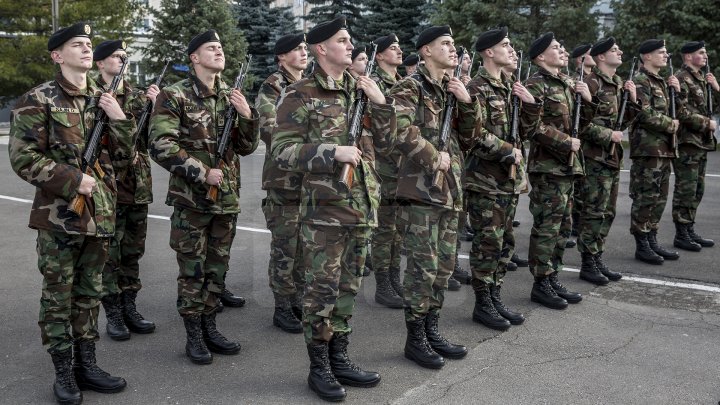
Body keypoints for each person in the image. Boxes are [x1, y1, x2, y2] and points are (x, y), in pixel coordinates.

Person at [8, 22, 132, 404]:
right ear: (57, 55)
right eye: (77, 45)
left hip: (101, 214)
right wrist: (72, 180)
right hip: (61, 216)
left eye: (89, 45)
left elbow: (125, 156)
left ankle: (87, 364)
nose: (85, 49)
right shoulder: (40, 98)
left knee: (89, 292)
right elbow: (22, 156)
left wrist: (121, 121)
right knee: (59, 296)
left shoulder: (103, 97)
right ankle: (63, 371)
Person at [271, 17, 393, 401]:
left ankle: (340, 358)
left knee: (347, 288)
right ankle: (319, 367)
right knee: (321, 292)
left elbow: (388, 145)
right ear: (322, 48)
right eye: (342, 40)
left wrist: (381, 103)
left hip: (361, 207)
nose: (349, 45)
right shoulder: (300, 93)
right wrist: (331, 152)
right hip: (324, 212)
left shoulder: (359, 92)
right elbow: (281, 151)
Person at [149, 29, 259, 364]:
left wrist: (247, 117)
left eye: (221, 47)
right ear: (194, 57)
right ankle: (194, 335)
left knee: (218, 269)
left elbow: (246, 147)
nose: (219, 51)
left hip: (226, 200)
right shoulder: (175, 95)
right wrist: (201, 171)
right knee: (193, 270)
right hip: (192, 201)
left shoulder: (230, 95)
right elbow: (160, 144)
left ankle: (211, 326)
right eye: (211, 48)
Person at [388, 25, 477, 369]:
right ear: (426, 51)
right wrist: (431, 155)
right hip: (422, 191)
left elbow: (469, 139)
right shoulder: (409, 87)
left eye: (454, 44)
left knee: (443, 268)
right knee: (422, 270)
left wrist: (467, 102)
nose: (453, 49)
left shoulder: (451, 90)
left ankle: (432, 329)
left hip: (450, 191)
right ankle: (415, 339)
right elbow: (400, 131)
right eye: (445, 44)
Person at [464, 27, 534, 330]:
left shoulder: (511, 87)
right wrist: (506, 149)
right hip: (485, 180)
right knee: (487, 244)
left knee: (505, 242)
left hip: (508, 180)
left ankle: (495, 295)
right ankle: (483, 304)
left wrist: (531, 104)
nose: (513, 50)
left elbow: (526, 133)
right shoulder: (477, 88)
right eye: (506, 46)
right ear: (489, 52)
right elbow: (473, 134)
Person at [93, 40, 159, 341]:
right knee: (110, 253)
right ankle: (114, 312)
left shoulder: (135, 96)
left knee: (132, 251)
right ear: (100, 63)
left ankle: (130, 306)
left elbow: (148, 140)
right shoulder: (92, 95)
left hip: (136, 184)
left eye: (124, 57)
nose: (122, 61)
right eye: (116, 57)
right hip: (107, 185)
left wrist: (156, 108)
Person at [522, 32, 590, 310]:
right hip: (547, 167)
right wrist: (565, 142)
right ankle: (540, 283)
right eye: (556, 48)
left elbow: (579, 124)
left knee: (563, 227)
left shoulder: (567, 83)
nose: (563, 51)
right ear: (540, 57)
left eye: (563, 47)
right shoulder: (535, 85)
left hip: (568, 167)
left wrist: (588, 100)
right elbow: (531, 127)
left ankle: (552, 276)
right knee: (547, 228)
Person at [256, 33, 308, 334]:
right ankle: (283, 306)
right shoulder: (273, 85)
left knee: (305, 245)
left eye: (304, 48)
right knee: (286, 246)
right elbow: (268, 127)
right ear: (281, 57)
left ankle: (299, 298)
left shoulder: (309, 85)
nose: (303, 53)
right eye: (296, 50)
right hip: (283, 179)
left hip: (311, 179)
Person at [576, 37, 638, 284]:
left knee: (608, 211)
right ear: (600, 57)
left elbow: (623, 122)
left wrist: (633, 100)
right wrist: (606, 134)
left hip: (612, 157)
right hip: (594, 158)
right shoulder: (591, 83)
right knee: (593, 211)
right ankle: (587, 262)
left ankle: (597, 256)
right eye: (614, 50)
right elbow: (579, 123)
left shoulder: (618, 83)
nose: (620, 52)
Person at [629, 39, 688, 264]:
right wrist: (669, 125)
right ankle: (641, 243)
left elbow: (678, 112)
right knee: (646, 197)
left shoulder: (663, 82)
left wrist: (678, 91)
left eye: (666, 52)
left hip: (664, 149)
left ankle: (651, 238)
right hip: (648, 149)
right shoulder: (641, 80)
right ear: (647, 56)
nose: (666, 55)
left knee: (659, 198)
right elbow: (643, 113)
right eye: (661, 52)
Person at [368, 33, 406, 309]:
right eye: (392, 48)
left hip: (403, 166)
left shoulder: (403, 83)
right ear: (379, 55)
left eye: (399, 47)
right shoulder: (373, 84)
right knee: (384, 229)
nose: (399, 51)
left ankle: (395, 278)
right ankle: (383, 284)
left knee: (398, 230)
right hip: (384, 166)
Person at [672, 41, 718, 251]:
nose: (705, 55)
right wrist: (705, 123)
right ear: (688, 57)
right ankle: (681, 233)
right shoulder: (682, 78)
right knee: (686, 189)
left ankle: (689, 229)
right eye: (701, 52)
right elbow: (679, 111)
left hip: (701, 142)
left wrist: (716, 87)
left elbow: (711, 107)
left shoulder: (701, 79)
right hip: (688, 142)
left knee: (697, 189)